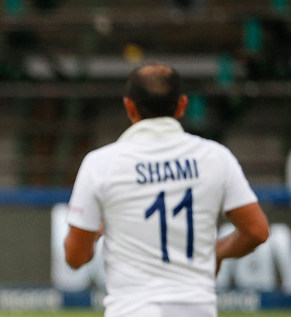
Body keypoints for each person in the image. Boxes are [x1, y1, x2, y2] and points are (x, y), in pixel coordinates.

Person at [64, 64, 269, 317]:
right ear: (182, 105)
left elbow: (75, 257)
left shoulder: (100, 164)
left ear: (129, 107)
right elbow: (257, 231)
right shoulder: (216, 157)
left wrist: (96, 232)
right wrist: (216, 253)